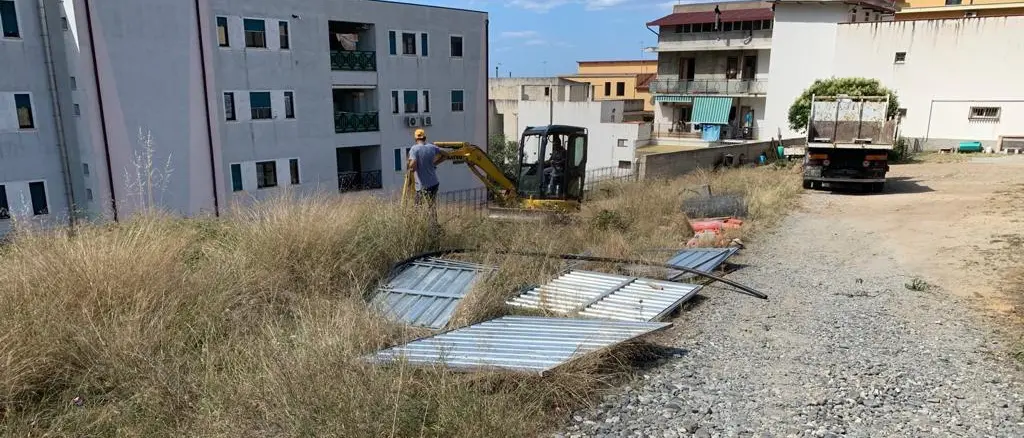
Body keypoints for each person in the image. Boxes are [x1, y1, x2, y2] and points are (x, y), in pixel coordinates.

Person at [406, 128, 448, 214]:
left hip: (422, 186)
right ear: (424, 138)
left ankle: (419, 225)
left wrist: (409, 165)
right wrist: (435, 163)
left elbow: (413, 165)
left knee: (417, 208)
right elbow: (446, 155)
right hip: (434, 183)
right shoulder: (432, 147)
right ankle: (434, 225)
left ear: (416, 139)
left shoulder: (414, 149)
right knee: (431, 206)